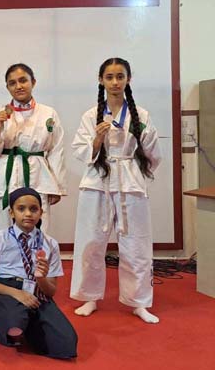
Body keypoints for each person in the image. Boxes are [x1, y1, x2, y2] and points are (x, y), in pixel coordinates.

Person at [70, 57, 162, 324]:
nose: (114, 82)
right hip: (97, 181)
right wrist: (97, 139)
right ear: (101, 80)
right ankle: (89, 297)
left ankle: (139, 301)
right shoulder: (91, 115)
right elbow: (79, 149)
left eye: (120, 76)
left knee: (136, 243)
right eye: (109, 77)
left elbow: (153, 154)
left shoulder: (140, 115)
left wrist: (135, 170)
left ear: (128, 79)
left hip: (129, 181)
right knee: (90, 241)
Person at [0, 187, 78, 360]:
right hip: (8, 289)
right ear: (11, 212)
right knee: (13, 327)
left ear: (41, 212)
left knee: (67, 345)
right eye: (21, 208)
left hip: (37, 292)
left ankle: (27, 325)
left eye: (34, 209)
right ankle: (14, 327)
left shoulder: (50, 243)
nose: (28, 214)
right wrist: (17, 293)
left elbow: (51, 292)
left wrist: (41, 278)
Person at [0, 63, 67, 233]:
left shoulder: (48, 113)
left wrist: (57, 186)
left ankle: (38, 260)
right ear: (7, 87)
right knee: (4, 230)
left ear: (33, 82)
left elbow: (56, 150)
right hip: (6, 176)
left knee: (39, 229)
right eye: (12, 83)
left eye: (23, 81)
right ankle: (8, 260)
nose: (18, 86)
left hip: (38, 176)